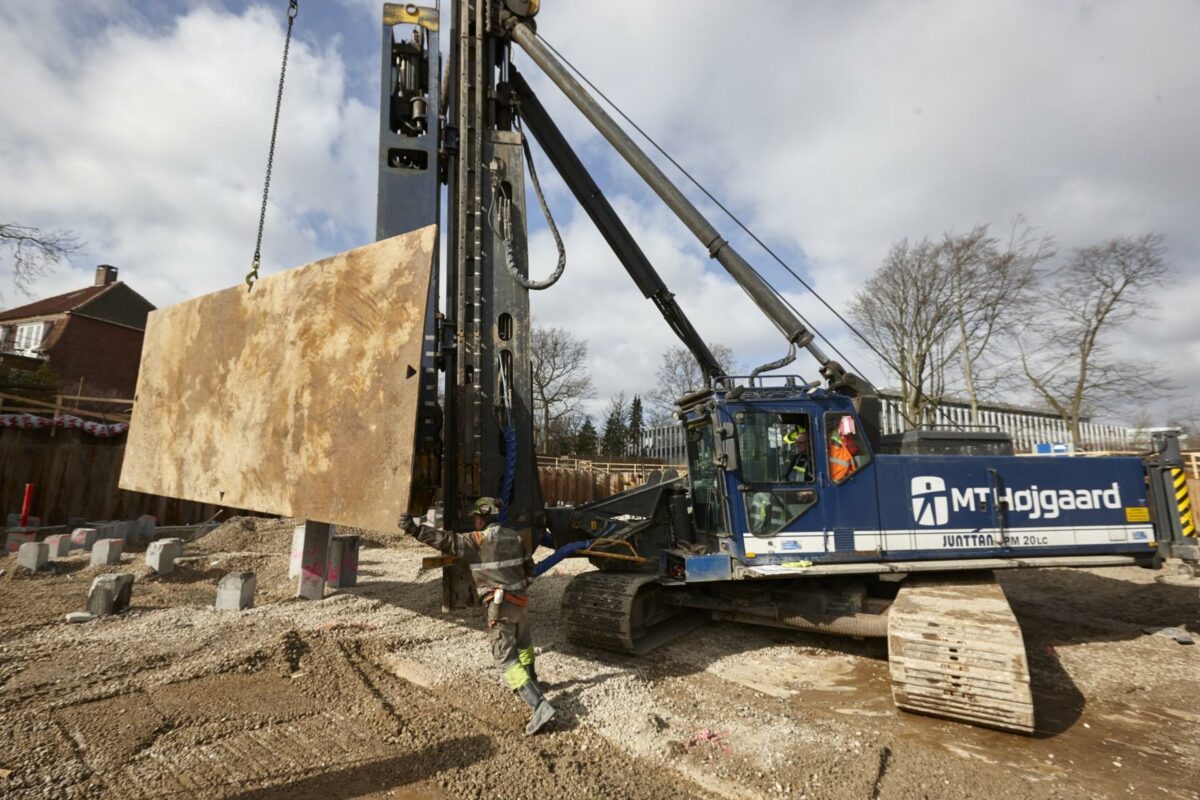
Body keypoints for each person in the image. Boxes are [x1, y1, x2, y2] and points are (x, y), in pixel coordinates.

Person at [398, 497, 556, 735]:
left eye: (475, 518)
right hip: (521, 601)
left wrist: (415, 529)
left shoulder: (477, 540)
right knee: (524, 644)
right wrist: (521, 588)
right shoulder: (515, 537)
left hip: (499, 604)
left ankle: (539, 706)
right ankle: (533, 680)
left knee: (505, 659)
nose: (475, 521)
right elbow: (530, 568)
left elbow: (446, 540)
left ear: (481, 518)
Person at [828, 416, 860, 482]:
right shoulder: (836, 446)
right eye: (849, 435)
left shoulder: (835, 441)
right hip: (840, 482)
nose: (852, 439)